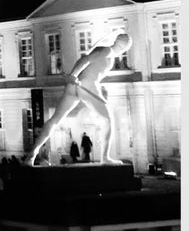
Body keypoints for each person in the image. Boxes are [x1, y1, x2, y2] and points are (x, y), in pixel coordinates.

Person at [27, 33, 134, 165]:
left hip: (74, 87)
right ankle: (105, 158)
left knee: (55, 120)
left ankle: (31, 156)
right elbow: (84, 60)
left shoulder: (103, 50)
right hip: (86, 85)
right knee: (107, 119)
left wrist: (73, 77)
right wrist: (73, 75)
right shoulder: (107, 51)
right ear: (123, 47)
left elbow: (87, 63)